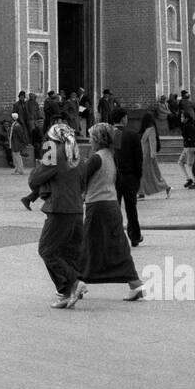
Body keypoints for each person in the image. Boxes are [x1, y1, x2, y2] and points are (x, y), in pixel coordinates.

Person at [78, 124, 150, 301]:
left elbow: (81, 178)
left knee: (86, 244)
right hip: (111, 204)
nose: (89, 140)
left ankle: (76, 283)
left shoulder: (96, 158)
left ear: (97, 139)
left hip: (97, 205)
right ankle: (135, 283)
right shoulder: (111, 155)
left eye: (91, 137)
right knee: (117, 246)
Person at [28, 123, 88, 309]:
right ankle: (66, 293)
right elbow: (83, 182)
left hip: (59, 208)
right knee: (68, 252)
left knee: (47, 250)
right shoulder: (77, 153)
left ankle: (73, 284)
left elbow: (34, 178)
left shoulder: (53, 151)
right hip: (77, 209)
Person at [112, 108, 144, 246]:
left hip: (113, 177)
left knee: (114, 208)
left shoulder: (107, 135)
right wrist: (138, 176)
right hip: (130, 176)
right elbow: (139, 159)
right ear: (124, 118)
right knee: (131, 209)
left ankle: (115, 237)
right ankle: (135, 236)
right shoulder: (132, 135)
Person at [137, 112, 170, 199]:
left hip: (148, 156)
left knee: (150, 175)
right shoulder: (147, 129)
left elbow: (153, 142)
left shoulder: (151, 129)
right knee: (147, 175)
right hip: (144, 155)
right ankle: (141, 193)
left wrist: (152, 155)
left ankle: (165, 187)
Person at [177, 117, 195, 189]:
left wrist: (189, 139)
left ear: (186, 118)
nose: (181, 118)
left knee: (190, 165)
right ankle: (189, 179)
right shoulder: (186, 126)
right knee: (180, 162)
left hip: (189, 147)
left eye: (182, 117)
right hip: (186, 147)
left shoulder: (188, 126)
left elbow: (191, 136)